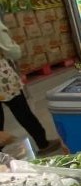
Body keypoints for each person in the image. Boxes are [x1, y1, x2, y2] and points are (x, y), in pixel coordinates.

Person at [0, 12, 63, 155]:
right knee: (22, 111)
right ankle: (43, 143)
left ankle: (1, 157)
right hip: (3, 80)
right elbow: (14, 52)